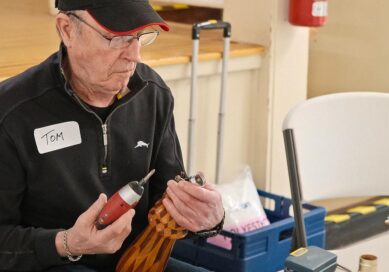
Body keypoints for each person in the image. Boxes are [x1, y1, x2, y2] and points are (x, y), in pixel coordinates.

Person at [0, 0, 225, 271]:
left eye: (140, 36)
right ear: (67, 29)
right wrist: (67, 243)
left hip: (134, 261)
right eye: (118, 38)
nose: (135, 56)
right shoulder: (12, 112)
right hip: (47, 262)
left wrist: (208, 219)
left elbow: (165, 205)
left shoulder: (152, 93)